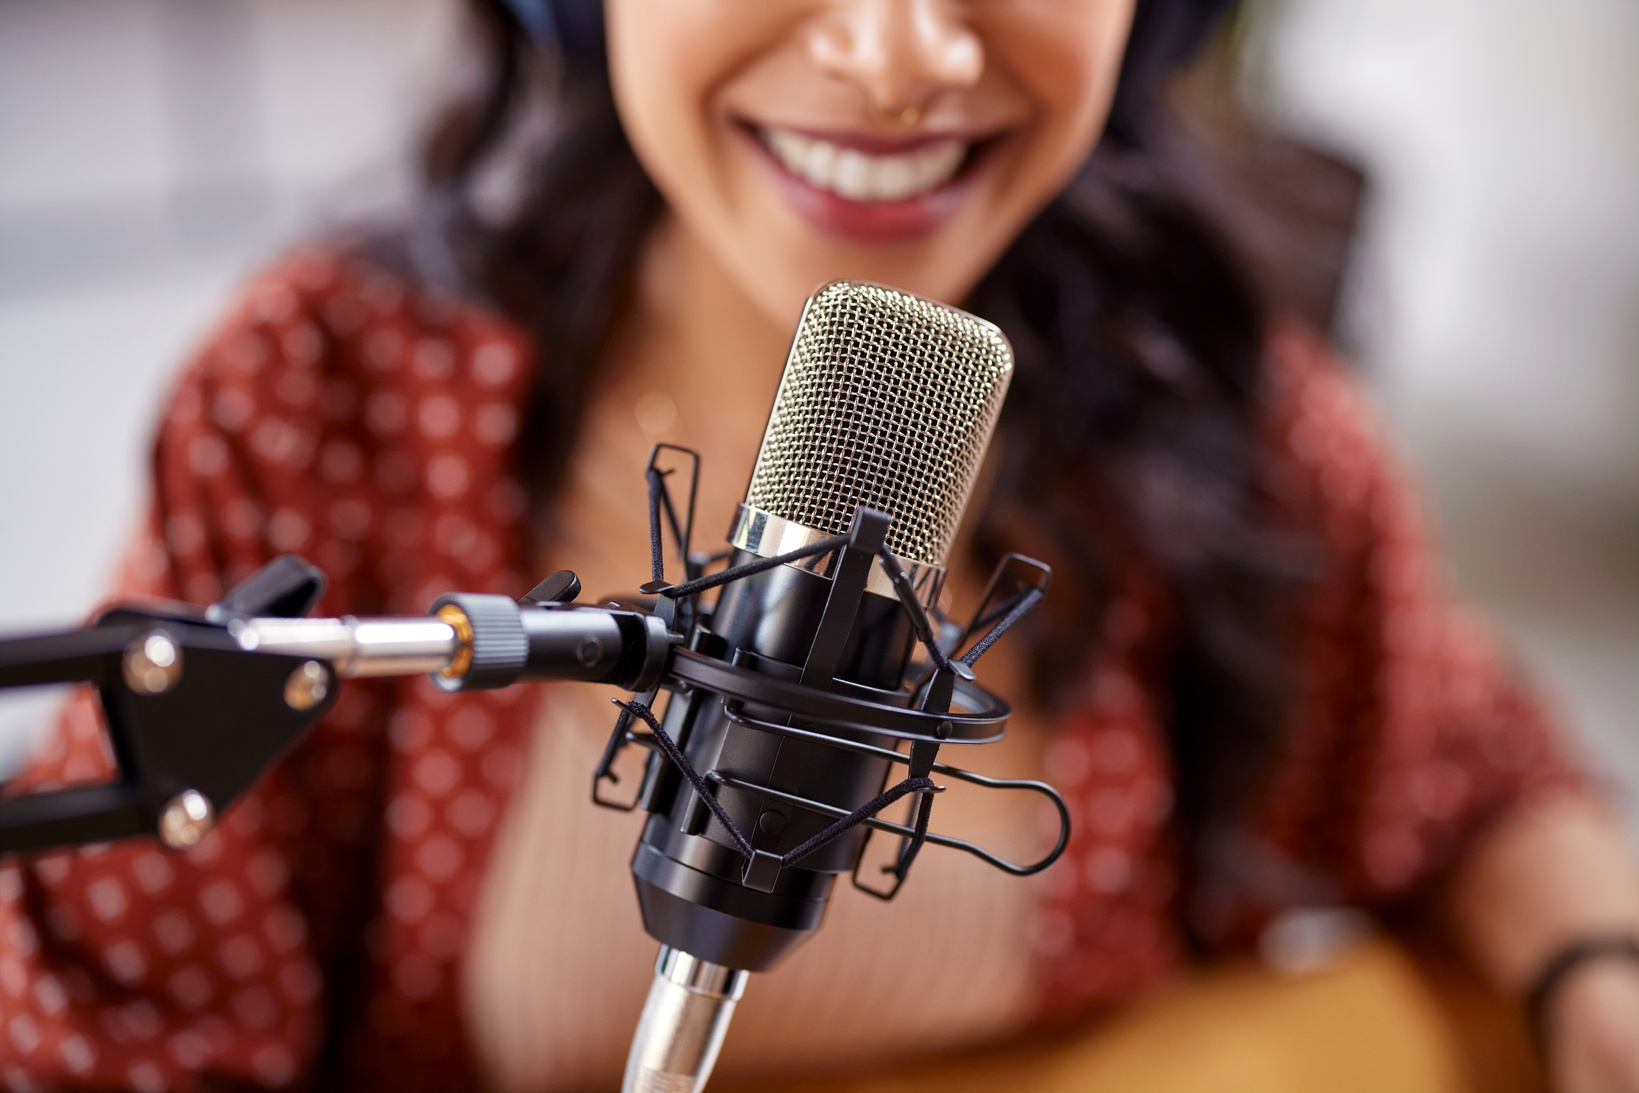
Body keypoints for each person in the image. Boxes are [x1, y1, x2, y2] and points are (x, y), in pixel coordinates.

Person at [2, 1, 1636, 1090]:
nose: (897, 54)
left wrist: (1597, 971)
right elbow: (113, 1037)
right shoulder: (325, 410)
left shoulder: (1240, 418)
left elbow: (1473, 779)